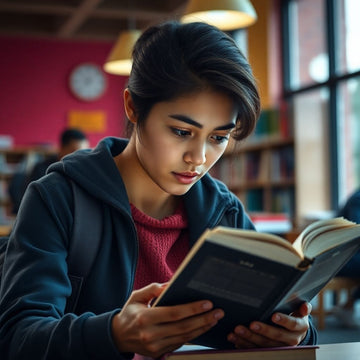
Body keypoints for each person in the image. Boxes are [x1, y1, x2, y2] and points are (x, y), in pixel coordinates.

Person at [0, 21, 317, 359]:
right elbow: (17, 337)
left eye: (218, 138)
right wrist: (113, 334)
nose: (198, 158)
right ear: (133, 107)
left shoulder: (224, 210)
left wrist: (297, 331)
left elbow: (279, 320)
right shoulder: (58, 199)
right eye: (181, 131)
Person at [8, 128, 89, 214]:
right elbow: (37, 202)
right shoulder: (42, 169)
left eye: (84, 152)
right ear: (62, 148)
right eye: (75, 151)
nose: (81, 157)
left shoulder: (82, 171)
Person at [333, 189, 360, 327]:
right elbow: (357, 234)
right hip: (341, 258)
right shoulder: (357, 199)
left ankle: (348, 305)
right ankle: (347, 306)